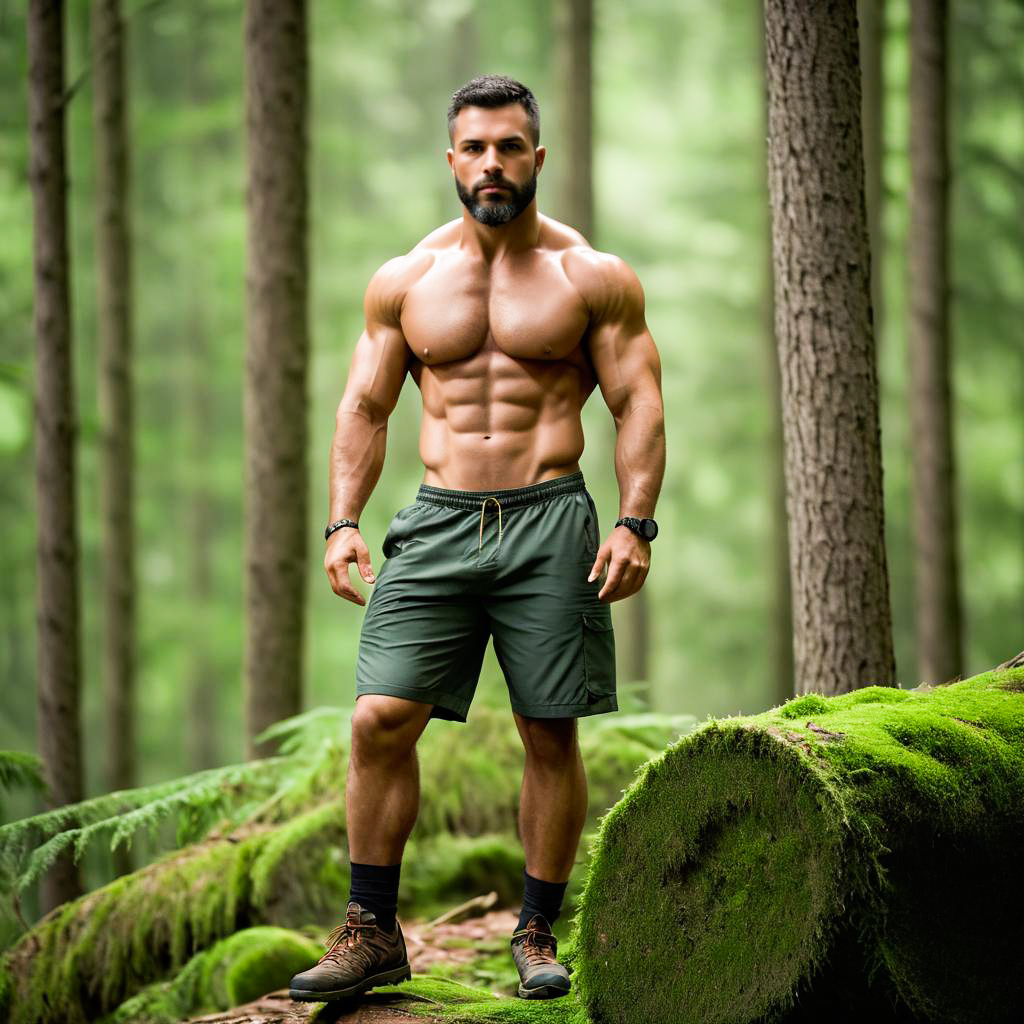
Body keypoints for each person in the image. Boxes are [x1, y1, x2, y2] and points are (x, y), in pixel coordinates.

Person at [289, 75, 665, 1004]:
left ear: (538, 157)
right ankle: (372, 929)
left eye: (509, 146)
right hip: (440, 519)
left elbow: (638, 402)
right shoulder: (406, 281)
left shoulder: (592, 277)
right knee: (381, 717)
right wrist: (342, 520)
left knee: (548, 727)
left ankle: (536, 928)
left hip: (551, 519)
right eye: (475, 148)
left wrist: (635, 518)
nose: (492, 163)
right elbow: (366, 406)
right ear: (451, 161)